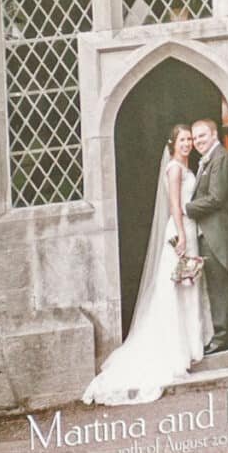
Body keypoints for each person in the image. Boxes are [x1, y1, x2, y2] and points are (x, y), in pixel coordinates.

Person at [82, 124, 212, 406]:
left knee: (187, 286)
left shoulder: (185, 166)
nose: (188, 144)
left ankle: (190, 345)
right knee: (176, 288)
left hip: (189, 229)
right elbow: (175, 204)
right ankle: (175, 349)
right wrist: (181, 237)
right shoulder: (175, 169)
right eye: (183, 140)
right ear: (173, 143)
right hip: (181, 231)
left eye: (190, 139)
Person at [184, 118, 228, 354]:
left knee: (221, 284)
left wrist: (187, 208)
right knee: (216, 284)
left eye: (202, 136)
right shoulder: (207, 160)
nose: (198, 142)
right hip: (207, 232)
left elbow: (217, 197)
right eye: (195, 138)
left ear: (214, 135)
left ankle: (224, 337)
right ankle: (222, 333)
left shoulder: (221, 158)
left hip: (218, 232)